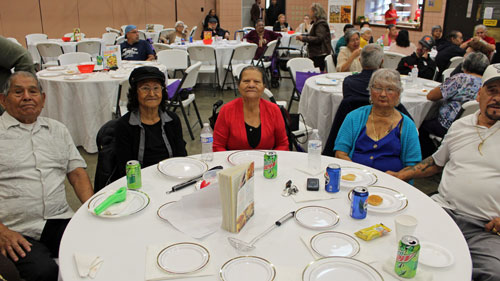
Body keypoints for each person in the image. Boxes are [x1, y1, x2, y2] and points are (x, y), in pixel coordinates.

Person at [387, 64, 500, 281]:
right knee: (395, 241)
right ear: (479, 93)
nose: (497, 98)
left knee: (493, 273)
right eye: (492, 90)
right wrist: (400, 175)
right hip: (443, 211)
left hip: (485, 228)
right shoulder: (460, 127)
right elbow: (435, 163)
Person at [0, 71, 94, 280]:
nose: (26, 97)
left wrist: (92, 209)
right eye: (18, 92)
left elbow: (77, 173)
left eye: (33, 91)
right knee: (44, 271)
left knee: (98, 247)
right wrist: (2, 232)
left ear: (42, 99)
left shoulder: (57, 130)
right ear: (3, 100)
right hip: (15, 227)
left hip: (58, 218)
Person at [334, 69, 421, 172]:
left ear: (398, 93)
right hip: (355, 179)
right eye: (378, 88)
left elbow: (412, 165)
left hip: (392, 182)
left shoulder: (407, 125)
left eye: (390, 89)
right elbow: (340, 153)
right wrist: (356, 173)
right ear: (370, 90)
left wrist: (398, 177)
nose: (383, 94)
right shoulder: (354, 117)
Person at [113, 67, 187, 180]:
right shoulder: (125, 125)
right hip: (140, 181)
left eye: (156, 88)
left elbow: (181, 157)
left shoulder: (172, 120)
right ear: (135, 92)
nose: (152, 93)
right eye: (145, 88)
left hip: (171, 177)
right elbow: (125, 169)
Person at [419, 52, 489, 158]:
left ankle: (428, 158)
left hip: (448, 125)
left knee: (422, 125)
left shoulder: (460, 79)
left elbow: (431, 96)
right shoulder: (487, 84)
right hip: (475, 128)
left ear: (465, 65)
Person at [213, 66, 289, 151]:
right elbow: (218, 146)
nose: (251, 85)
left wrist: (270, 162)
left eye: (256, 82)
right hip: (234, 163)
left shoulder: (274, 110)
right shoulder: (226, 111)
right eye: (246, 81)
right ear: (238, 86)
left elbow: (283, 144)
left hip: (267, 162)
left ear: (264, 87)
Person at [296, 3, 332, 72]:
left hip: (320, 54)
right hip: (318, 53)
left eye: (310, 11)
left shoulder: (321, 23)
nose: (309, 13)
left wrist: (303, 38)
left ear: (315, 12)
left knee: (317, 73)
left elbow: (319, 38)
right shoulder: (317, 23)